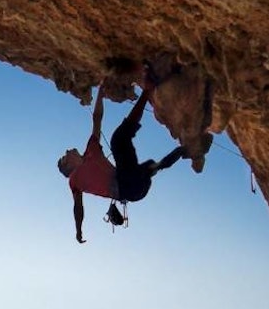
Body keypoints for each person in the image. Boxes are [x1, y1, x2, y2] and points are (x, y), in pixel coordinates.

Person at [57, 73, 187, 243]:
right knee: (118, 140)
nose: (67, 151)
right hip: (128, 189)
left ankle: (180, 153)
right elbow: (78, 207)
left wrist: (100, 93)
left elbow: (97, 119)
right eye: (65, 157)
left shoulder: (91, 149)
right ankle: (152, 167)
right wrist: (79, 229)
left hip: (133, 182)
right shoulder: (74, 180)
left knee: (123, 141)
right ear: (69, 167)